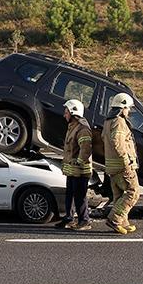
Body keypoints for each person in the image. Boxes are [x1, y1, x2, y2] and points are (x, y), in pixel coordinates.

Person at [103, 93, 139, 235]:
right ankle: (115, 219)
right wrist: (127, 161)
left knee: (119, 196)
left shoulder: (107, 122)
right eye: (128, 108)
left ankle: (124, 222)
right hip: (122, 165)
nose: (129, 111)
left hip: (112, 166)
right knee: (133, 193)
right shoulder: (119, 122)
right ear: (122, 107)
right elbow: (117, 142)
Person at [55, 99, 93, 231]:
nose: (64, 115)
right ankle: (69, 218)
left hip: (80, 171)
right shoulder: (72, 127)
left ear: (73, 113)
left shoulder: (82, 129)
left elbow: (86, 149)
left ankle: (85, 220)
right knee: (70, 195)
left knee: (80, 196)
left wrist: (79, 162)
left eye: (66, 112)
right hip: (72, 170)